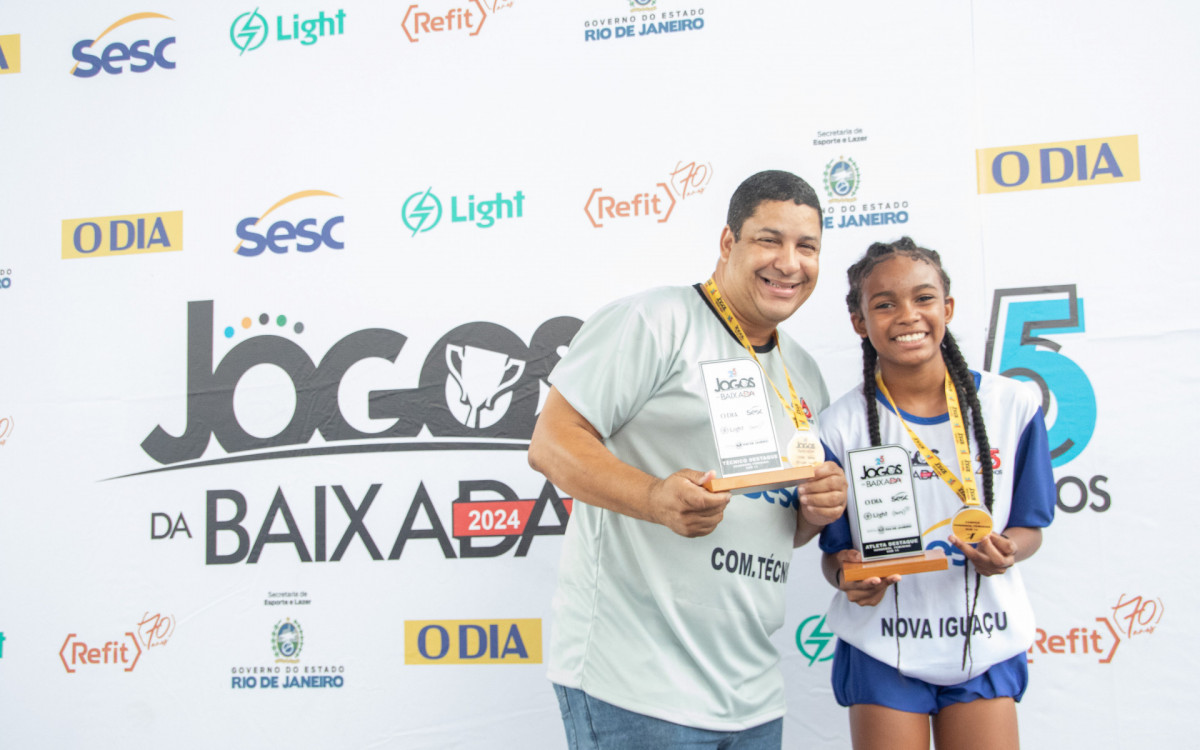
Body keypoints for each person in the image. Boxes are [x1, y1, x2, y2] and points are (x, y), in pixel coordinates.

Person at [528, 170, 849, 749]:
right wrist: (654, 498)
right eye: (768, 240)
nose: (789, 262)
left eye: (807, 247)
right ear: (728, 244)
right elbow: (551, 443)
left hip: (750, 694)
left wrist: (814, 512)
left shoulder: (805, 374)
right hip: (636, 684)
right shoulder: (656, 320)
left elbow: (780, 525)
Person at [817, 237, 1055, 750]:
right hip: (883, 645)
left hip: (984, 637)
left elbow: (1030, 527)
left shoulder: (1012, 405)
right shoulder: (838, 427)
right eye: (884, 303)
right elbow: (834, 557)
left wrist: (1006, 551)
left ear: (947, 307)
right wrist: (850, 577)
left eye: (924, 298)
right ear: (860, 321)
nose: (908, 315)